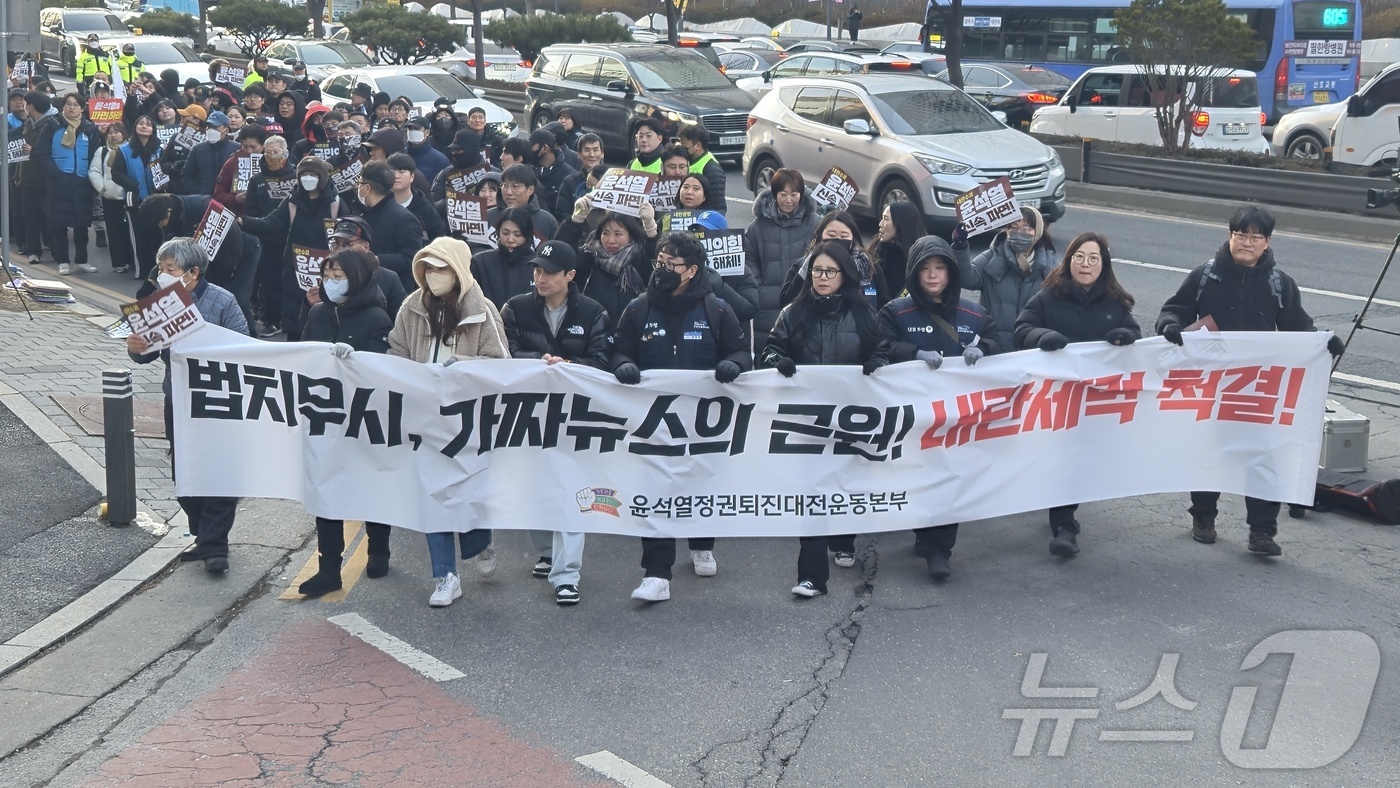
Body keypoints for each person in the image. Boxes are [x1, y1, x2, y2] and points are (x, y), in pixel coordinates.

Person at [1155, 206, 1344, 557]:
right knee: (1208, 453)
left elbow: (1297, 328)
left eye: (1256, 236)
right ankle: (1203, 518)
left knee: (1262, 458)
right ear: (1230, 235)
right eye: (1241, 234)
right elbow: (1175, 310)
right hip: (1212, 384)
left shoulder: (1279, 284)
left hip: (1258, 388)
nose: (1248, 241)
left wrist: (1322, 342)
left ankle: (1262, 532)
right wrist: (1169, 325)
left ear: (1267, 242)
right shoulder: (1204, 276)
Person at [611, 231, 752, 602]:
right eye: (659, 262)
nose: (662, 270)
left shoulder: (717, 309)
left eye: (671, 265)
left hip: (702, 427)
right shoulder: (638, 308)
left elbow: (742, 353)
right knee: (655, 494)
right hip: (654, 426)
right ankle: (656, 573)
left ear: (691, 270)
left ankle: (702, 542)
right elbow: (618, 351)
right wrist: (624, 365)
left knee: (700, 485)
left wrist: (731, 365)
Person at [387, 237, 509, 607]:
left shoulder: (483, 310)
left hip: (468, 420)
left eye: (440, 268)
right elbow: (396, 352)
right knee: (433, 496)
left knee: (468, 492)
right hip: (425, 417)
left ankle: (479, 540)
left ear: (457, 270)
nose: (432, 275)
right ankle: (445, 576)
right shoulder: (411, 307)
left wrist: (465, 368)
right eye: (427, 267)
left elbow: (501, 362)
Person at [762, 240, 887, 597]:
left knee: (845, 486)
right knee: (812, 495)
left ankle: (844, 539)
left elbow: (882, 349)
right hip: (806, 423)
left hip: (851, 421)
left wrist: (878, 364)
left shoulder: (864, 314)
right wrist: (777, 362)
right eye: (817, 270)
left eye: (830, 271)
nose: (822, 277)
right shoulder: (793, 313)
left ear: (844, 275)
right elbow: (770, 350)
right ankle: (812, 576)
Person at [877, 235, 999, 579]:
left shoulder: (973, 313)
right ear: (914, 274)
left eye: (940, 268)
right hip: (912, 417)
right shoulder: (896, 311)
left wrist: (985, 349)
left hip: (957, 419)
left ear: (951, 273)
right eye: (925, 269)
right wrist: (912, 354)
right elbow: (879, 345)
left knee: (951, 477)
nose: (933, 276)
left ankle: (940, 550)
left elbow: (999, 343)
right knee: (918, 477)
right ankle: (923, 531)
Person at [1015, 232, 1142, 557]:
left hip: (1096, 402)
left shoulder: (1114, 302)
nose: (1086, 264)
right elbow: (1022, 328)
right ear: (1069, 261)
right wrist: (1043, 336)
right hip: (1055, 399)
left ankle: (1063, 513)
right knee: (1062, 458)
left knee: (1080, 460)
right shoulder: (1048, 297)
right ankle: (1065, 525)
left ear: (1104, 265)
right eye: (1080, 257)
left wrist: (1124, 335)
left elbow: (1136, 335)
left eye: (1094, 258)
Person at [127, 238, 250, 573]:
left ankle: (215, 546)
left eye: (171, 270)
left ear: (193, 273)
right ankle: (202, 533)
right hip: (177, 400)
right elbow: (144, 354)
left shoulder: (223, 301)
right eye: (161, 269)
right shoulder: (158, 304)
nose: (163, 275)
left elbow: (243, 345)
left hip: (218, 400)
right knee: (184, 472)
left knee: (219, 472)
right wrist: (137, 347)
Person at [500, 240, 610, 606]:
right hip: (528, 413)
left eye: (548, 272)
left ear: (570, 276)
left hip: (577, 416)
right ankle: (546, 552)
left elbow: (603, 361)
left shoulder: (593, 311)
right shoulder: (515, 308)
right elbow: (506, 353)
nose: (540, 277)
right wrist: (538, 360)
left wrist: (570, 367)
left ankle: (567, 575)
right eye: (536, 271)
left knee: (571, 489)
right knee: (534, 486)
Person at [295, 248, 395, 596]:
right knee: (326, 489)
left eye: (339, 276)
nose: (332, 282)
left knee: (369, 485)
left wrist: (354, 362)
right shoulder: (320, 312)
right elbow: (303, 353)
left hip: (363, 419)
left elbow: (380, 371)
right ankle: (328, 568)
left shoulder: (376, 318)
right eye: (328, 275)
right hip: (326, 417)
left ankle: (378, 547)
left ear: (358, 278)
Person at [240, 155, 348, 340]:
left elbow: (347, 235)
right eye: (303, 174)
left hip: (328, 268)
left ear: (322, 177)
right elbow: (271, 223)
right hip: (295, 268)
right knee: (295, 316)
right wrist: (244, 222)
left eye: (312, 174)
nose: (307, 178)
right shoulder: (292, 201)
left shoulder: (336, 203)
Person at [138, 192, 253, 327]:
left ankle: (251, 338)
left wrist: (227, 272)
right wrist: (150, 283)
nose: (160, 227)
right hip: (205, 260)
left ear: (169, 212)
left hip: (239, 251)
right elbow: (167, 256)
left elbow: (232, 239)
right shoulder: (170, 221)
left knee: (238, 299)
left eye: (160, 223)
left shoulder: (202, 207)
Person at [953, 205, 1056, 353]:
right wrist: (960, 247)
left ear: (1038, 232)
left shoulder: (1051, 266)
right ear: (1006, 230)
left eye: (1026, 229)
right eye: (1013, 228)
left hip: (1033, 352)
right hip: (994, 348)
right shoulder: (992, 257)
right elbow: (967, 279)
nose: (1019, 233)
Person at [744, 168, 819, 344]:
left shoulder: (814, 222)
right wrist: (759, 290)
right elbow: (749, 258)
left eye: (794, 194)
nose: (788, 200)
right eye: (783, 194)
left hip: (806, 299)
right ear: (774, 194)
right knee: (768, 357)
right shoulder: (759, 225)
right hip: (769, 304)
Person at [557, 200, 658, 327]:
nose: (611, 240)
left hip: (629, 333)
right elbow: (561, 255)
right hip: (588, 331)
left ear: (631, 236)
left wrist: (650, 227)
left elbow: (657, 263)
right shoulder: (589, 258)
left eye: (618, 234)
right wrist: (576, 219)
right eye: (605, 233)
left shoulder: (639, 260)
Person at [33, 92, 101, 275]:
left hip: (82, 181)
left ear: (82, 108)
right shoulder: (52, 125)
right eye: (68, 104)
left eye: (76, 104)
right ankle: (63, 261)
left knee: (81, 224)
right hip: (59, 180)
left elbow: (96, 156)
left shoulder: (90, 129)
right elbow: (40, 153)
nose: (72, 107)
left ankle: (82, 260)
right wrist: (54, 174)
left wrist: (92, 179)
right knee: (59, 224)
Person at [780, 210, 889, 311]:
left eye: (844, 235)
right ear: (820, 237)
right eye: (831, 235)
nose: (838, 240)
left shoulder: (869, 267)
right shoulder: (802, 266)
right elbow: (786, 303)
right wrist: (806, 270)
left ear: (853, 238)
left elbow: (884, 305)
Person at [243, 134, 296, 334]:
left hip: (292, 236)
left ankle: (288, 318)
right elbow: (250, 210)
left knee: (289, 280)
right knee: (269, 280)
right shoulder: (256, 180)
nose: (272, 156)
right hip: (265, 237)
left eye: (276, 152)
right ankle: (270, 318)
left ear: (286, 153)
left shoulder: (297, 177)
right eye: (268, 152)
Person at [356, 160, 425, 293]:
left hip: (393, 292)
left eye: (360, 183)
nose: (357, 188)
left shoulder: (403, 218)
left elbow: (412, 258)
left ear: (367, 188)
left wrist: (376, 259)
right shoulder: (361, 213)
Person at [326, 216, 409, 320]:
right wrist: (309, 304)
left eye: (347, 244)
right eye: (337, 243)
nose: (340, 249)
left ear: (366, 246)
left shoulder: (388, 279)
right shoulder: (327, 276)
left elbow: (403, 322)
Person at [89, 121, 138, 275]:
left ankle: (132, 260)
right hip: (110, 197)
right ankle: (119, 263)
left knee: (130, 231)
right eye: (110, 132)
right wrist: (102, 188)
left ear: (124, 134)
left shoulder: (130, 150)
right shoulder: (102, 151)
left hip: (128, 196)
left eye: (117, 132)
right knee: (114, 231)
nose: (113, 135)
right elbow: (94, 171)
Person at [470, 206, 536, 310]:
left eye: (517, 235)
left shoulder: (538, 265)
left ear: (527, 235)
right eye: (505, 233)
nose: (510, 239)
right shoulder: (480, 262)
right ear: (498, 232)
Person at [18, 92, 55, 264]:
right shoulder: (28, 123)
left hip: (45, 178)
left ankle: (57, 251)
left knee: (49, 217)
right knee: (30, 217)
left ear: (32, 105)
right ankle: (33, 251)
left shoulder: (52, 124)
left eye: (26, 103)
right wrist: (19, 174)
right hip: (28, 178)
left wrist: (34, 151)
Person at [387, 152, 445, 243]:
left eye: (402, 172)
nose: (396, 176)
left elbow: (439, 240)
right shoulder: (380, 205)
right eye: (391, 172)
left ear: (412, 176)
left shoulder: (426, 209)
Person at [488, 163, 557, 240]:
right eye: (505, 185)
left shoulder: (547, 221)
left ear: (530, 190)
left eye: (515, 186)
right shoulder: (488, 216)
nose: (509, 192)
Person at [870, 200, 924, 297]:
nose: (880, 224)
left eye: (886, 219)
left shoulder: (920, 257)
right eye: (882, 218)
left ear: (900, 223)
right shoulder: (877, 248)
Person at [212, 124, 266, 216]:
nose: (249, 151)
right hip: (239, 217)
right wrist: (236, 198)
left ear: (263, 145)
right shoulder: (232, 163)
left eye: (253, 147)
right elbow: (218, 195)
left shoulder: (272, 163)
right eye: (245, 146)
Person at [183, 110, 238, 197]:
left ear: (226, 130)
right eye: (208, 126)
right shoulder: (198, 149)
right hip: (203, 199)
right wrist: (198, 193)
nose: (210, 130)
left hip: (228, 199)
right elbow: (187, 174)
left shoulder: (237, 148)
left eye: (215, 127)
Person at [529, 128, 576, 223]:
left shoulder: (569, 175)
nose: (529, 150)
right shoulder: (530, 170)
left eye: (531, 145)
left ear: (545, 148)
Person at [555, 132, 604, 219]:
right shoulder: (569, 182)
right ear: (579, 155)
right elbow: (562, 216)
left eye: (596, 150)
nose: (592, 155)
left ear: (602, 154)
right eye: (587, 150)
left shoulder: (615, 180)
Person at [677, 124, 726, 210]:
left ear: (698, 146)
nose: (681, 147)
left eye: (684, 143)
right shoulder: (687, 162)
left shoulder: (712, 170)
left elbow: (717, 205)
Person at [404, 116, 449, 181]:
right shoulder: (400, 154)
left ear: (427, 132)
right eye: (410, 129)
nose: (412, 132)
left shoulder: (440, 160)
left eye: (416, 129)